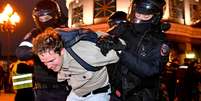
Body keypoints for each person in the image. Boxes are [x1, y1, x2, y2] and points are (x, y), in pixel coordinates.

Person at [102, 0, 170, 100]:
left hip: (140, 95)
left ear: (155, 17)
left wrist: (122, 51)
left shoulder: (160, 40)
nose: (141, 18)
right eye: (138, 14)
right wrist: (104, 41)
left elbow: (151, 70)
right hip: (114, 91)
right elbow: (104, 39)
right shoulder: (124, 28)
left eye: (146, 16)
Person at [32, 27, 119, 101]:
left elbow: (120, 49)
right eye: (44, 62)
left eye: (51, 61)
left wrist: (108, 38)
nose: (48, 66)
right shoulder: (57, 58)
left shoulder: (89, 55)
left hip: (97, 95)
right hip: (76, 94)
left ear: (62, 51)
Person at [15, 0, 69, 101]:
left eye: (47, 17)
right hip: (42, 92)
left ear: (56, 15)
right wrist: (41, 47)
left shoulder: (66, 32)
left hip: (65, 89)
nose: (44, 20)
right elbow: (20, 53)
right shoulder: (35, 34)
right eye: (41, 18)